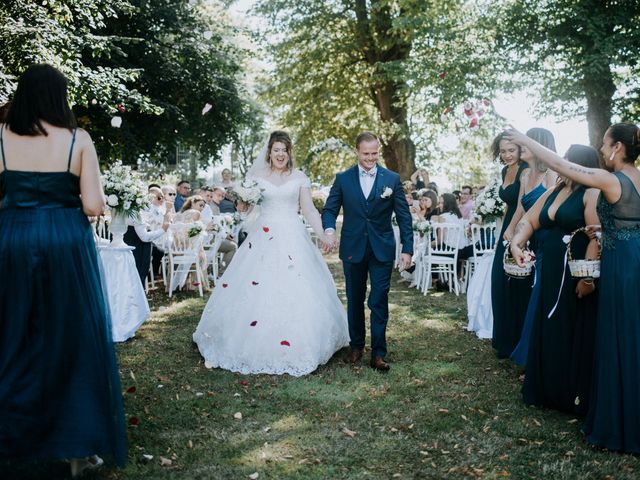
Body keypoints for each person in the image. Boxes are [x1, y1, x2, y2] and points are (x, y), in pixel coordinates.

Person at [0, 64, 125, 476]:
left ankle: (14, 437)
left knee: (14, 334)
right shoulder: (79, 139)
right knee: (71, 337)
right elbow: (93, 206)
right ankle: (74, 450)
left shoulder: (0, 136)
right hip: (65, 243)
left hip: (13, 238)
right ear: (59, 96)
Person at [507, 122, 640, 454]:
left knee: (617, 343)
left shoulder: (612, 180)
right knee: (632, 340)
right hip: (631, 259)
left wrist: (526, 140)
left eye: (606, 144)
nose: (604, 150)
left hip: (621, 267)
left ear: (617, 148)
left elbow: (563, 166)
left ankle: (619, 426)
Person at [193, 131, 349, 376]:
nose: (280, 154)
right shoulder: (255, 177)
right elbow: (245, 210)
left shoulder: (299, 177)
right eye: (276, 149)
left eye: (284, 150)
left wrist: (324, 235)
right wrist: (243, 203)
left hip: (292, 235)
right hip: (262, 236)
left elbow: (308, 210)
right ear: (269, 152)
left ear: (289, 153)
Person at [510, 145, 600, 415]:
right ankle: (546, 389)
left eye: (565, 160)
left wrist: (587, 278)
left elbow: (596, 236)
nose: (559, 164)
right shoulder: (555, 192)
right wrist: (517, 243)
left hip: (575, 273)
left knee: (568, 326)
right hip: (549, 272)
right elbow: (528, 220)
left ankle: (568, 393)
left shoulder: (591, 193)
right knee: (547, 324)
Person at [322, 131, 413, 371]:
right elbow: (329, 209)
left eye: (374, 153)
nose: (371, 158)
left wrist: (407, 249)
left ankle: (379, 353)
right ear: (356, 151)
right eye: (366, 154)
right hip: (353, 248)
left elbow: (404, 216)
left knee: (379, 300)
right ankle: (356, 346)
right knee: (354, 298)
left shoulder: (391, 179)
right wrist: (329, 231)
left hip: (382, 248)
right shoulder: (343, 179)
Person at [503, 128, 558, 367]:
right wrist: (513, 232)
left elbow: (552, 211)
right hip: (528, 237)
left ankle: (537, 357)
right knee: (526, 294)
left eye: (525, 143)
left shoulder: (552, 174)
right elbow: (520, 209)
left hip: (546, 239)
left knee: (540, 295)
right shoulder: (525, 176)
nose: (521, 147)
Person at [490, 132, 531, 359]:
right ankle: (503, 341)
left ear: (520, 149)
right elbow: (508, 205)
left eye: (511, 150)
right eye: (503, 151)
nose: (507, 155)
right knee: (499, 282)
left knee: (516, 284)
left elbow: (522, 204)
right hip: (506, 228)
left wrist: (513, 229)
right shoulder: (505, 170)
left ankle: (517, 343)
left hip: (522, 226)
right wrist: (503, 230)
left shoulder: (526, 169)